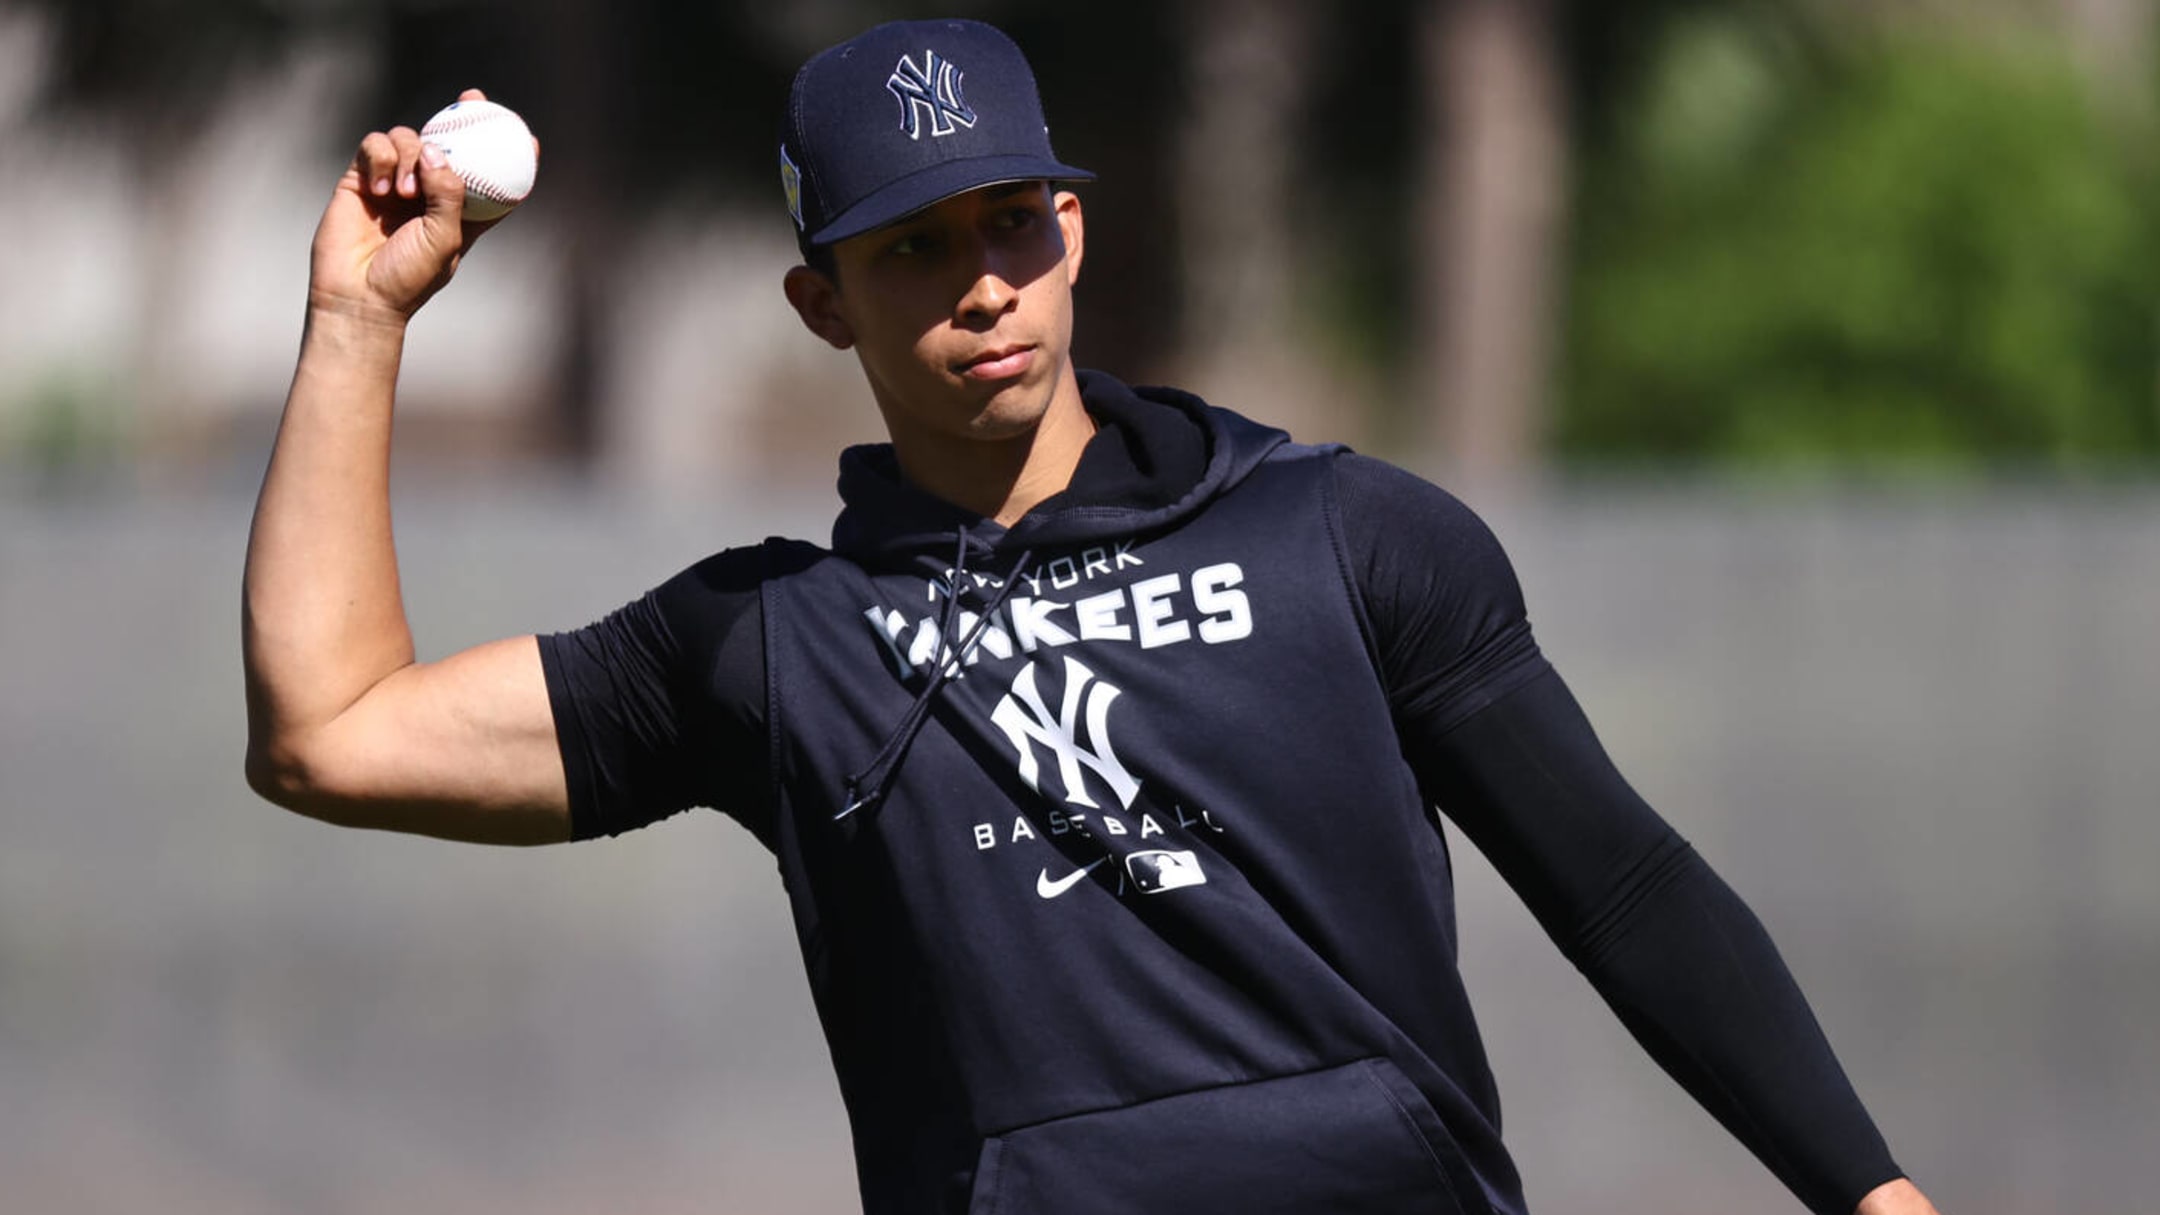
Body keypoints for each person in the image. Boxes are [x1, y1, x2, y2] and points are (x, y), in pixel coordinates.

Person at [243, 16, 1945, 1215]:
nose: (981, 280)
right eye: (912, 249)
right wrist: (357, 320)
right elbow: (330, 732)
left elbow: (1626, 886)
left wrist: (1868, 1191)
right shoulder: (776, 644)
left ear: (1072, 228)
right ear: (820, 302)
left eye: (1008, 222)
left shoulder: (1348, 538)